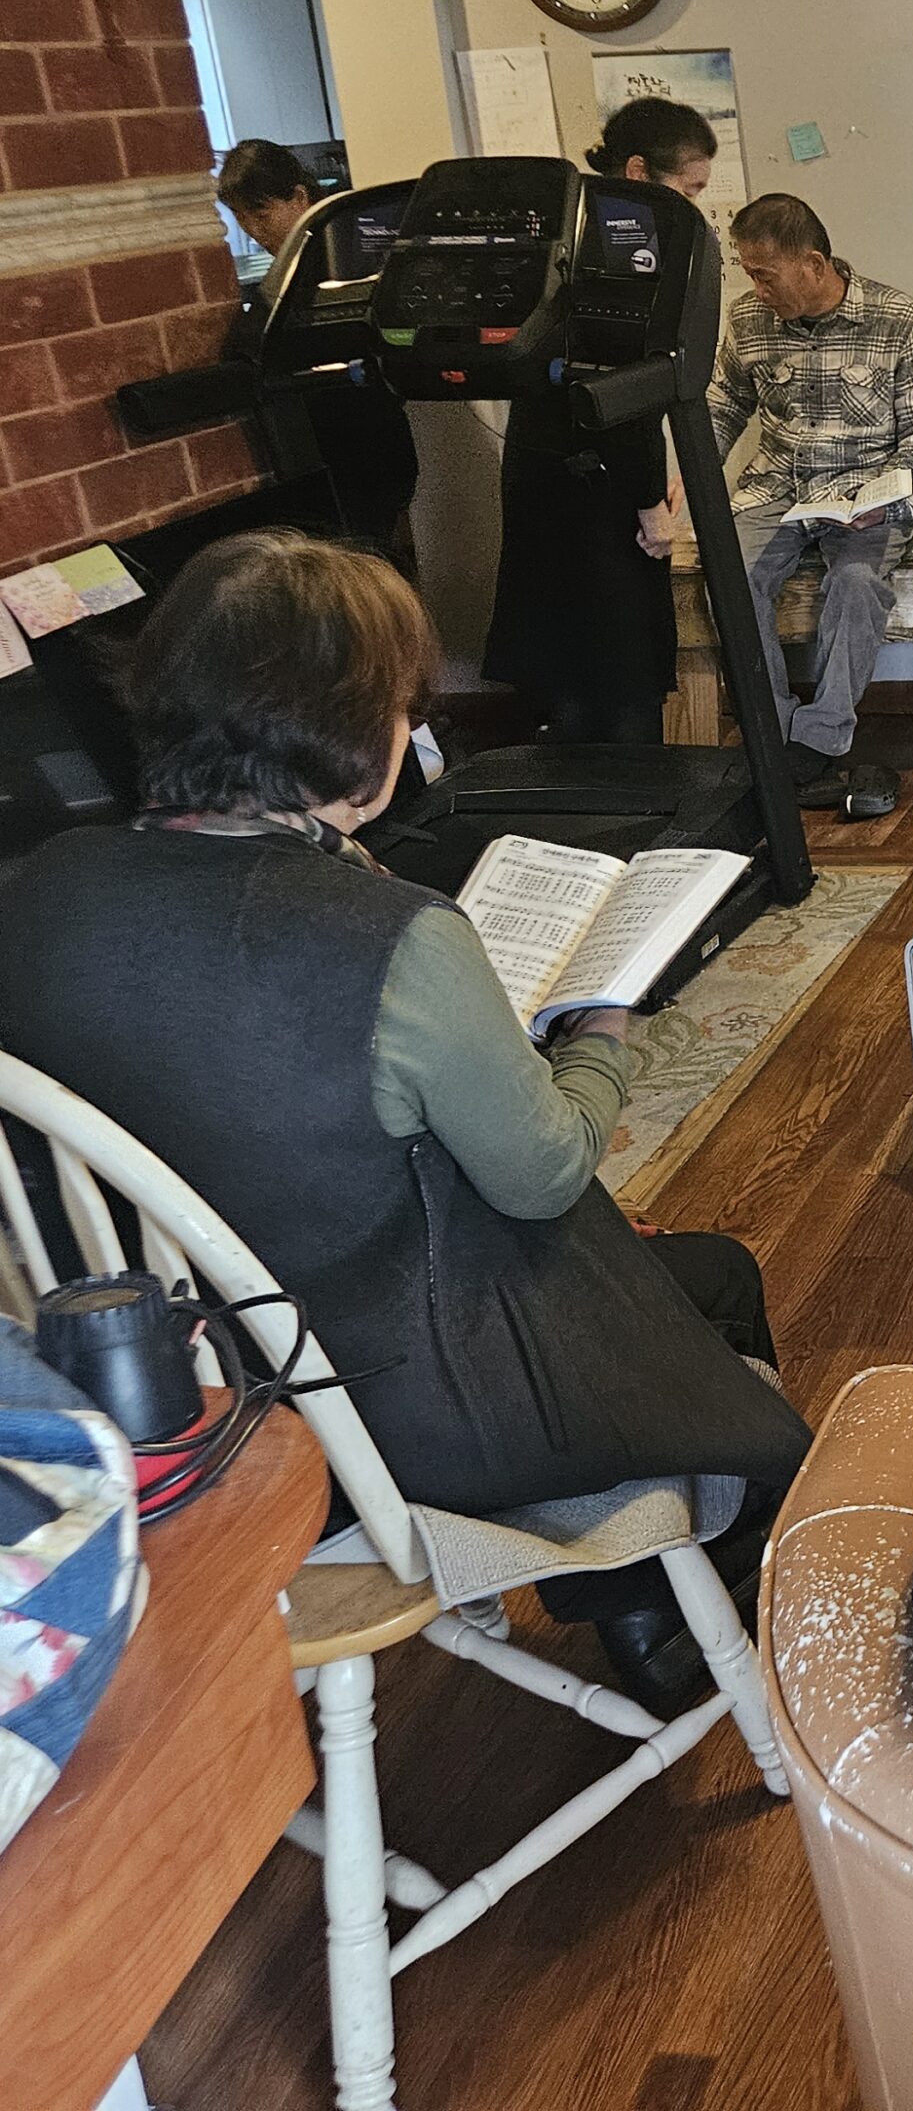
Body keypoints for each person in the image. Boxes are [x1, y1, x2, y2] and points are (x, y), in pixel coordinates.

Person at [0, 532, 811, 1711]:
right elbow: (541, 1172)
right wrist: (601, 1039)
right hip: (376, 1409)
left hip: (164, 1389)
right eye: (399, 706)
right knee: (712, 1276)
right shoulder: (395, 936)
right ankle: (667, 1615)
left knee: (650, 1274)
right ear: (354, 737)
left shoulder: (46, 888)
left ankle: (646, 1604)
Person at [706, 192, 913, 819]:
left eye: (766, 275)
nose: (757, 288)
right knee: (730, 578)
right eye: (749, 273)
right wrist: (691, 471)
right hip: (776, 486)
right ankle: (772, 732)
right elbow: (724, 403)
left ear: (813, 264)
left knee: (856, 582)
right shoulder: (747, 318)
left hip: (864, 494)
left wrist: (895, 496)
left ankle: (818, 739)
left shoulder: (902, 320)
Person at [481, 98, 713, 746]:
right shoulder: (626, 245)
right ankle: (630, 796)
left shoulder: (559, 224)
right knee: (621, 672)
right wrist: (650, 502)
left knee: (564, 671)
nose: (694, 207)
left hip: (540, 465)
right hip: (599, 480)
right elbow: (625, 387)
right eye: (690, 188)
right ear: (638, 172)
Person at [218, 138, 420, 562]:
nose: (253, 231)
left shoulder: (342, 253)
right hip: (336, 453)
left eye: (261, 213)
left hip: (364, 447)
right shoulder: (303, 261)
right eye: (240, 218)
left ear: (299, 197)